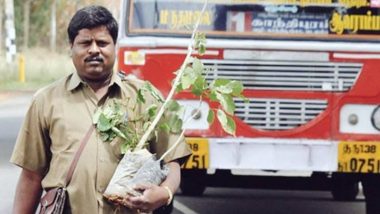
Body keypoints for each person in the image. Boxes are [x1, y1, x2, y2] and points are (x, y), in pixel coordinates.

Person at [11, 5, 191, 214]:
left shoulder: (146, 97)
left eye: (102, 43)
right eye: (85, 43)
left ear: (115, 45)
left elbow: (171, 160)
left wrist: (165, 193)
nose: (94, 50)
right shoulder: (46, 101)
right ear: (71, 47)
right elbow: (31, 176)